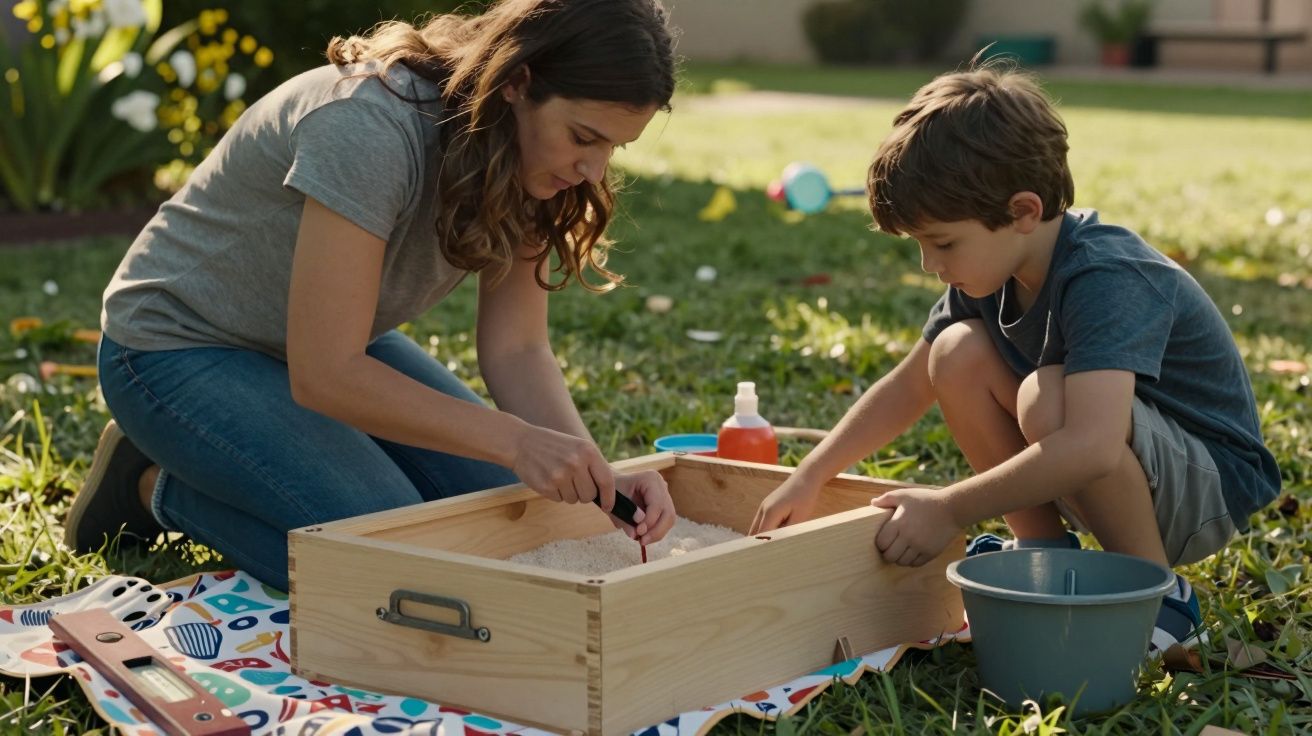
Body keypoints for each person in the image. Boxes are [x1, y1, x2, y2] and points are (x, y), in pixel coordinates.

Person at [65, 0, 680, 591]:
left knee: (503, 520)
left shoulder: (534, 163)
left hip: (321, 345)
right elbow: (326, 375)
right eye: (583, 136)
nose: (594, 170)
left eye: (612, 148)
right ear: (518, 81)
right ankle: (147, 485)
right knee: (402, 565)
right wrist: (517, 441)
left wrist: (606, 482)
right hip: (176, 347)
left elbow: (517, 349)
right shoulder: (369, 125)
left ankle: (226, 453)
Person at [749, 62, 1280, 653]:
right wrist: (811, 475)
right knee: (954, 353)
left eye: (944, 243)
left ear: (1024, 211)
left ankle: (1155, 594)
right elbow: (909, 386)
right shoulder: (993, 271)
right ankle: (1044, 556)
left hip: (1208, 488)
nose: (931, 264)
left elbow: (1093, 443)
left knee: (1046, 396)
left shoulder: (1107, 275)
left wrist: (950, 509)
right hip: (1124, 466)